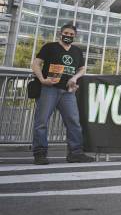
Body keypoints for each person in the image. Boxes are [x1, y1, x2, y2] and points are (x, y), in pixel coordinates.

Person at [30, 23, 95, 165]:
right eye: (66, 33)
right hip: (49, 89)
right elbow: (36, 64)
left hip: (68, 91)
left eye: (71, 34)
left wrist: (74, 78)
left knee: (74, 122)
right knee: (41, 122)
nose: (68, 36)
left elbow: (82, 68)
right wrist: (42, 79)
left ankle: (75, 153)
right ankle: (40, 154)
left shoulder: (77, 51)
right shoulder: (50, 47)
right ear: (61, 33)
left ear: (75, 36)